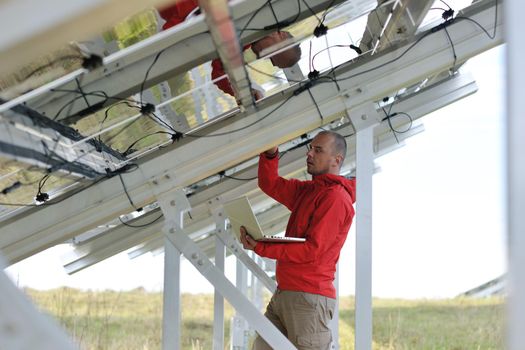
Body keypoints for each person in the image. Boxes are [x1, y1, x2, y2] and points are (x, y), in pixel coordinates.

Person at [240, 131, 356, 350]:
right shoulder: (309, 191)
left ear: (336, 160)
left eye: (318, 150)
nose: (309, 154)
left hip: (308, 299)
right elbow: (270, 183)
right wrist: (271, 154)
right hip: (285, 293)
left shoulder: (335, 198)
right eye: (310, 148)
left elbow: (312, 250)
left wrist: (263, 247)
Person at [158, 0, 302, 98]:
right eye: (272, 54)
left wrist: (246, 92)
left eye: (269, 59)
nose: (263, 57)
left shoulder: (239, 44)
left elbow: (220, 75)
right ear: (280, 34)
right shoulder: (258, 6)